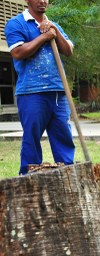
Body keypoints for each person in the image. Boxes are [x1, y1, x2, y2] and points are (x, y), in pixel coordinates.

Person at [4, 0, 75, 175]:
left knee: (63, 137)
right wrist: (44, 37)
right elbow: (18, 52)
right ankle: (28, 179)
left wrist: (55, 32)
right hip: (31, 92)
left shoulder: (54, 26)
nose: (42, 1)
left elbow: (68, 51)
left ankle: (67, 178)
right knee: (32, 138)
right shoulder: (16, 24)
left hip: (58, 91)